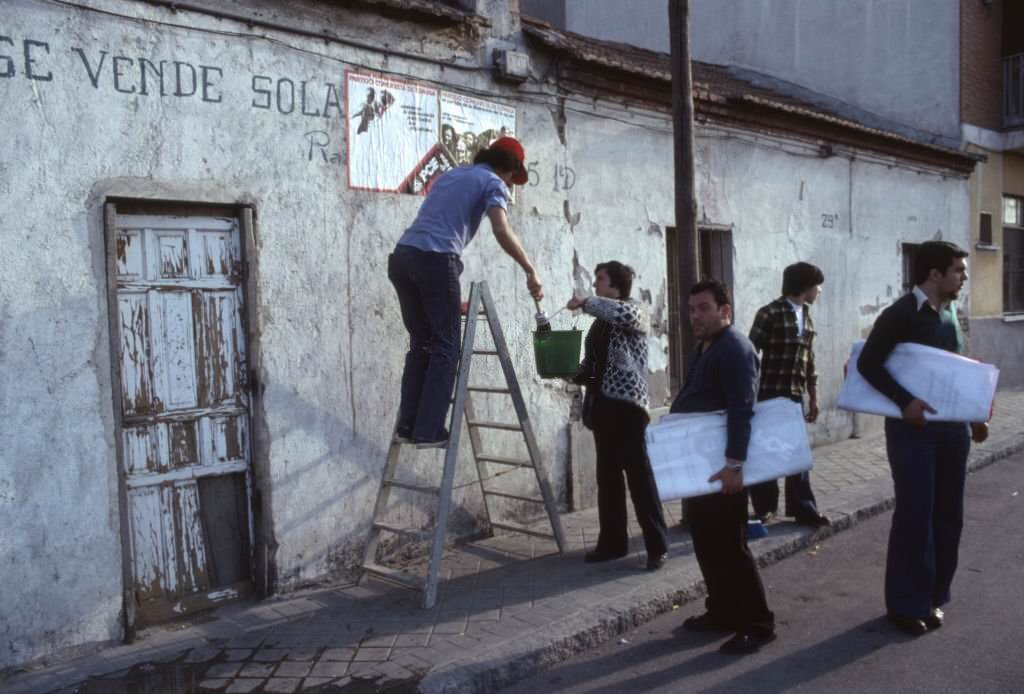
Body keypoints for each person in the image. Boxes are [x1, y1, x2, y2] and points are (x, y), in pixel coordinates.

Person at [857, 240, 990, 636]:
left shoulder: (951, 313)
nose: (964, 277)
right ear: (934, 274)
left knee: (948, 515)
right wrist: (904, 403)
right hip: (913, 432)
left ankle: (932, 598)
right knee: (916, 515)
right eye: (958, 271)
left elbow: (958, 372)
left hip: (952, 432)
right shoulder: (900, 314)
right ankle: (904, 605)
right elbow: (867, 364)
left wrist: (975, 417)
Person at [388, 137, 543, 447]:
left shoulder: (453, 175)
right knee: (446, 347)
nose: (511, 183)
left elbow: (440, 220)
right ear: (508, 168)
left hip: (403, 258)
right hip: (435, 260)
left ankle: (408, 426)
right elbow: (501, 229)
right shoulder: (493, 182)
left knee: (421, 344)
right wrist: (530, 269)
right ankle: (428, 430)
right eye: (514, 176)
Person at [672, 280, 775, 655]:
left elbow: (741, 409)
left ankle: (758, 623)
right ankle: (722, 612)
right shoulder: (706, 346)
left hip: (724, 467)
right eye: (692, 308)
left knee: (731, 547)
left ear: (724, 311)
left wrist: (735, 465)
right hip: (703, 464)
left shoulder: (735, 349)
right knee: (707, 542)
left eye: (704, 308)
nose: (695, 315)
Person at [568, 262, 669, 571]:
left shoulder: (634, 310)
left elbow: (619, 314)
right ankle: (612, 544)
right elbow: (596, 362)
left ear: (616, 285)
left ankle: (657, 545)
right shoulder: (600, 321)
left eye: (600, 279)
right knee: (608, 480)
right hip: (602, 407)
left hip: (627, 408)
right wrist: (578, 372)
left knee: (639, 478)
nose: (596, 283)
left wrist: (585, 302)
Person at [747, 262, 830, 528]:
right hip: (770, 395)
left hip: (795, 395)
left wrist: (814, 396)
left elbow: (809, 361)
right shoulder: (769, 313)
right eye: (817, 285)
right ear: (805, 285)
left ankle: (803, 509)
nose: (819, 290)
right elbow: (749, 356)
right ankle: (764, 508)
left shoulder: (806, 315)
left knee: (797, 454)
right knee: (768, 453)